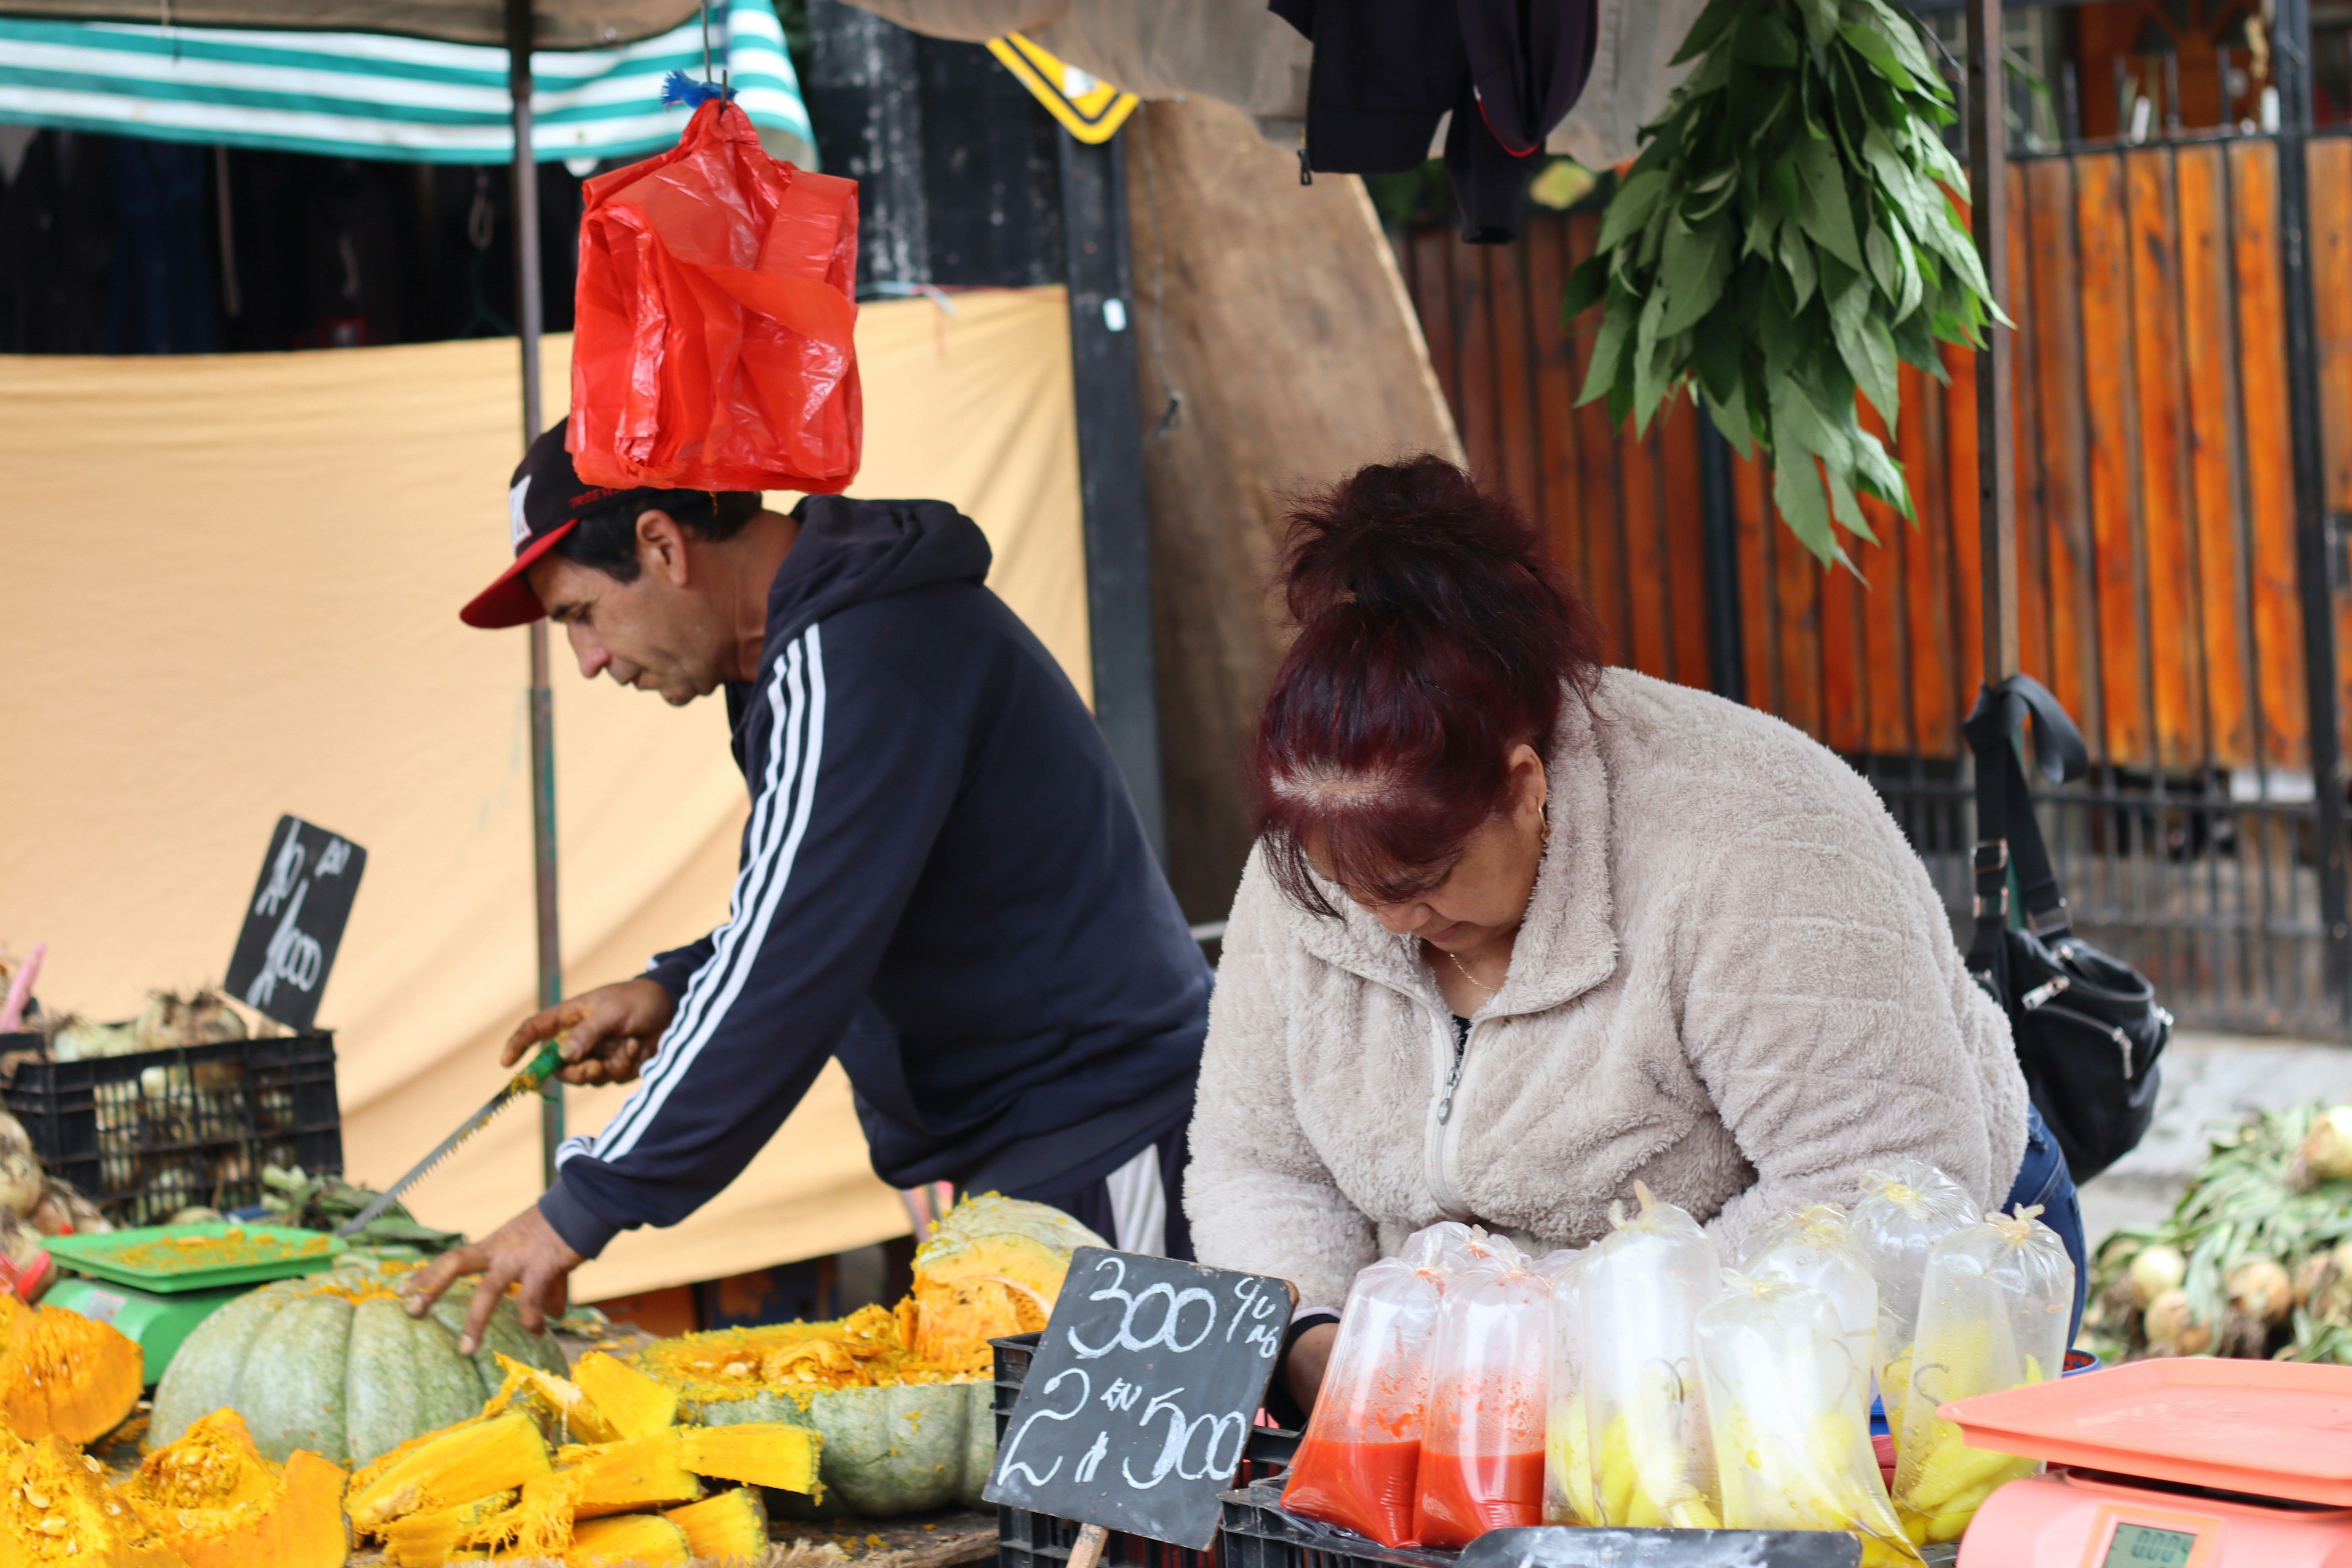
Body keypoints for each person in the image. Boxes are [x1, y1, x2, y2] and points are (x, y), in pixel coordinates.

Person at [1181, 456, 2084, 1421]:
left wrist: (1557, 1352)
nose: (1385, 920)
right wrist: (1315, 1341)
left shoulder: (1754, 839)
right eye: (1344, 883)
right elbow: (1259, 1160)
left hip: (1871, 1298)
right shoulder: (1326, 861)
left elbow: (1883, 1186)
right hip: (1483, 1375)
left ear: (1526, 786)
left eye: (1426, 881)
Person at [407, 425, 1208, 1353]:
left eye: (581, 613)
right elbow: (826, 902)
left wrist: (584, 1203)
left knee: (1130, 1498)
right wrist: (671, 988)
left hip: (1105, 1150)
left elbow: (788, 973)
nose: (587, 660)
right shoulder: (815, 649)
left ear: (663, 546)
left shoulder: (856, 654)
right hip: (1032, 1160)